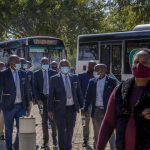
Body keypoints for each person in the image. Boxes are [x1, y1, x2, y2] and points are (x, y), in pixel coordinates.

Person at [96, 49, 150, 150]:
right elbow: (108, 122)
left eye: (145, 62)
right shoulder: (120, 90)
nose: (139, 65)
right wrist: (99, 147)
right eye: (136, 62)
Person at [48, 59, 83, 150]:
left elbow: (79, 93)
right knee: (61, 130)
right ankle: (62, 148)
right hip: (59, 109)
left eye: (66, 65)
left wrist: (82, 107)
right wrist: (50, 110)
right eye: (63, 65)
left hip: (72, 109)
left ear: (69, 66)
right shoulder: (54, 79)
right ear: (59, 67)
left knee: (70, 129)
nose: (65, 67)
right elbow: (50, 96)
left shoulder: (75, 77)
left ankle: (68, 147)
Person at [84, 64, 117, 150]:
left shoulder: (112, 81)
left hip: (108, 111)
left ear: (104, 70)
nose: (95, 71)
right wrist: (85, 108)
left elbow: (116, 97)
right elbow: (87, 97)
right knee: (97, 134)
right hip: (96, 111)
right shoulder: (92, 81)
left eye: (97, 69)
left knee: (110, 133)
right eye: (95, 69)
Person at [0, 55, 30, 150]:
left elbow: (26, 90)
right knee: (9, 130)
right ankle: (9, 148)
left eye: (19, 62)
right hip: (8, 106)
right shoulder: (3, 74)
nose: (19, 64)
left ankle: (17, 146)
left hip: (21, 106)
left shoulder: (23, 73)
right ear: (11, 62)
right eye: (17, 62)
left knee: (21, 129)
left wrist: (28, 104)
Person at [34, 57, 57, 149]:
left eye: (47, 62)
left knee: (53, 121)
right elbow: (35, 88)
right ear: (41, 63)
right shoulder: (36, 74)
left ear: (49, 63)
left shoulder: (54, 73)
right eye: (43, 62)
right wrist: (38, 100)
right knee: (44, 122)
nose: (45, 64)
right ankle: (45, 142)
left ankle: (55, 141)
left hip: (52, 100)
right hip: (42, 100)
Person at [78, 60, 96, 147]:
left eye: (93, 66)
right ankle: (85, 140)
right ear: (88, 66)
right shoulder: (81, 76)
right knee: (85, 123)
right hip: (85, 105)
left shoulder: (97, 76)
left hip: (96, 105)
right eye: (90, 66)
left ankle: (96, 140)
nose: (91, 68)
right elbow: (79, 91)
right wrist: (81, 105)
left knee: (96, 123)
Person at [0, 61, 5, 141]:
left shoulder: (5, 75)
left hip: (3, 101)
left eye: (2, 66)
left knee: (2, 119)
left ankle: (1, 133)